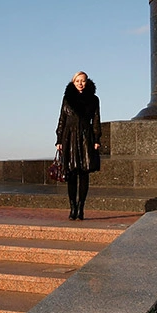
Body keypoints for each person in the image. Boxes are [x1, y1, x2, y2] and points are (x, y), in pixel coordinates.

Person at [55, 71, 101, 220]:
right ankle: (72, 207)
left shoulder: (93, 99)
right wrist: (59, 140)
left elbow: (96, 120)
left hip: (85, 137)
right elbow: (62, 119)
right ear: (73, 82)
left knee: (84, 173)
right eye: (77, 81)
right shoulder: (67, 98)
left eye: (83, 81)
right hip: (69, 137)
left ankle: (81, 208)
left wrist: (96, 139)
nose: (80, 83)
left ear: (87, 82)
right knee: (71, 174)